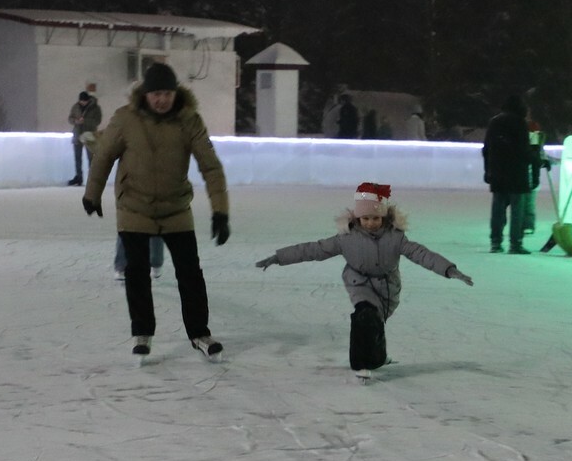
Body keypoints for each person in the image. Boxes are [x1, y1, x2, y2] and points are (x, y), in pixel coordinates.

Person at [82, 62, 230, 362]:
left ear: (175, 93)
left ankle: (199, 332)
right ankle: (142, 332)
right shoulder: (126, 119)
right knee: (136, 272)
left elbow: (210, 166)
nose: (161, 100)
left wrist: (220, 211)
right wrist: (92, 194)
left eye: (167, 93)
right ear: (145, 95)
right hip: (134, 206)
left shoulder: (189, 120)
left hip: (175, 208)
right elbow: (104, 157)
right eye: (155, 94)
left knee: (190, 273)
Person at [254, 182, 474, 379]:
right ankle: (360, 363)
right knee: (364, 315)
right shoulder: (346, 238)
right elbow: (313, 249)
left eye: (375, 218)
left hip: (388, 287)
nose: (370, 223)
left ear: (384, 217)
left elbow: (422, 254)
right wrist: (279, 257)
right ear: (357, 218)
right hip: (359, 283)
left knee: (375, 322)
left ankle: (378, 357)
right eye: (365, 218)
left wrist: (449, 270)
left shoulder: (396, 238)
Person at [482, 93, 532, 253]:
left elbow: (486, 149)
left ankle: (496, 242)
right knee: (517, 210)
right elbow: (523, 149)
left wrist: (488, 170)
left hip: (497, 171)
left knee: (498, 209)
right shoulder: (520, 123)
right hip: (517, 173)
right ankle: (515, 243)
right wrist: (537, 161)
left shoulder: (494, 122)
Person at [520, 118, 551, 235]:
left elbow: (538, 156)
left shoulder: (537, 144)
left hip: (533, 178)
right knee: (522, 204)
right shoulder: (524, 144)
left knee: (529, 204)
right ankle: (521, 225)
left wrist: (544, 161)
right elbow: (533, 158)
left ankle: (528, 225)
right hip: (523, 177)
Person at [66, 90, 102, 186]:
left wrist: (84, 121)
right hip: (78, 134)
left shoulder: (95, 108)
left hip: (89, 136)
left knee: (91, 158)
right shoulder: (76, 107)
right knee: (77, 158)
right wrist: (76, 121)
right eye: (81, 101)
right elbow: (70, 118)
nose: (82, 103)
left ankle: (92, 178)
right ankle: (79, 177)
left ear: (88, 100)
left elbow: (97, 121)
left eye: (84, 101)